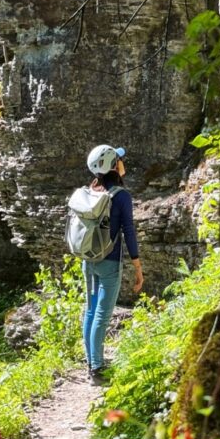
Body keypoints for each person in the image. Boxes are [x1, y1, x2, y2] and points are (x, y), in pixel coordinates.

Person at [82, 144, 143, 383]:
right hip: (109, 263)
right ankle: (96, 368)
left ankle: (91, 359)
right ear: (113, 166)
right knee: (102, 314)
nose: (122, 162)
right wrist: (138, 266)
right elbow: (128, 231)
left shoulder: (92, 191)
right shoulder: (120, 196)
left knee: (90, 310)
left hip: (89, 259)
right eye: (119, 159)